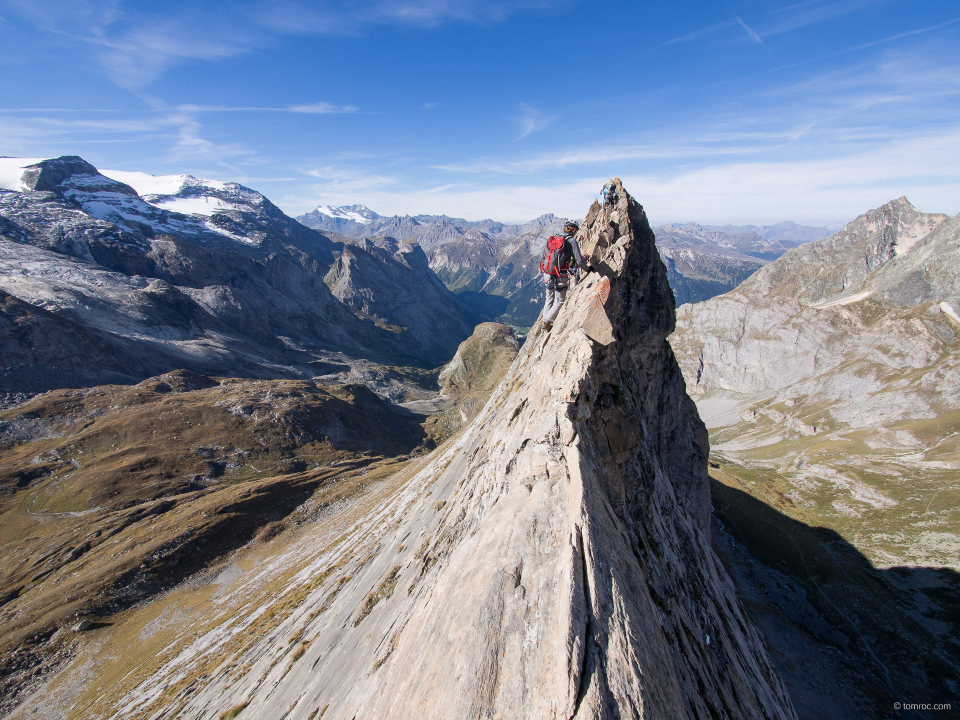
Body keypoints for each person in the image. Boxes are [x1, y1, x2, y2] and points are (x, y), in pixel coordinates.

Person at [541, 221, 590, 331]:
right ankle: (547, 322)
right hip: (560, 275)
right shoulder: (571, 241)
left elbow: (544, 257)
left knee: (549, 298)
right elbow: (579, 261)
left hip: (547, 274)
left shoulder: (554, 239)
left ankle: (546, 321)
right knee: (560, 301)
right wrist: (588, 269)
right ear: (573, 230)